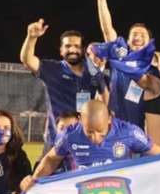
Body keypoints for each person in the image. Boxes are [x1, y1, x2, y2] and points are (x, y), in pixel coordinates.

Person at [22, 100, 160, 187]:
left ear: (109, 119)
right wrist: (34, 180)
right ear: (80, 120)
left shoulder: (129, 132)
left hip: (120, 193)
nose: (95, 137)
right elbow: (51, 159)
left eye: (100, 131)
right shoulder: (69, 135)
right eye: (89, 132)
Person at [19, 18, 103, 150]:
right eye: (68, 46)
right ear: (61, 50)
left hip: (85, 141)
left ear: (83, 49)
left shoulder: (94, 74)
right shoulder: (52, 69)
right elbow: (27, 60)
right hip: (56, 141)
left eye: (76, 46)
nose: (72, 50)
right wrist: (31, 37)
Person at [93, 0, 157, 128]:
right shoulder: (120, 56)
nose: (138, 37)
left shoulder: (153, 71)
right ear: (128, 41)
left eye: (143, 35)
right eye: (134, 34)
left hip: (139, 131)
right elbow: (108, 30)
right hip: (113, 127)